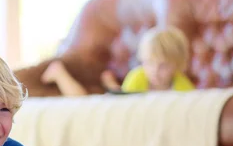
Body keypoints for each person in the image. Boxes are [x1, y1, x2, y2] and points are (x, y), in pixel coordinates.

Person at [41, 26, 195, 95]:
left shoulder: (183, 86)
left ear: (177, 65)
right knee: (82, 100)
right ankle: (59, 73)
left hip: (121, 91)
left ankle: (111, 85)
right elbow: (122, 104)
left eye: (163, 66)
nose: (155, 70)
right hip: (110, 96)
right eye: (149, 63)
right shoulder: (138, 77)